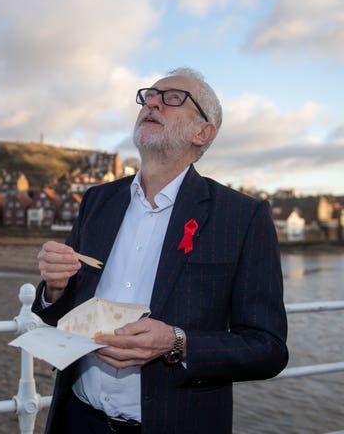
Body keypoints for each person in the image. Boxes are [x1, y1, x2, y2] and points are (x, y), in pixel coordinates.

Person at [33, 67, 288, 434]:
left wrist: (177, 342)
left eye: (173, 98)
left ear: (203, 132)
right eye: (149, 95)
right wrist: (55, 288)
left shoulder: (242, 217)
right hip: (76, 418)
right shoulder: (97, 201)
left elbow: (268, 348)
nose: (153, 101)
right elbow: (64, 312)